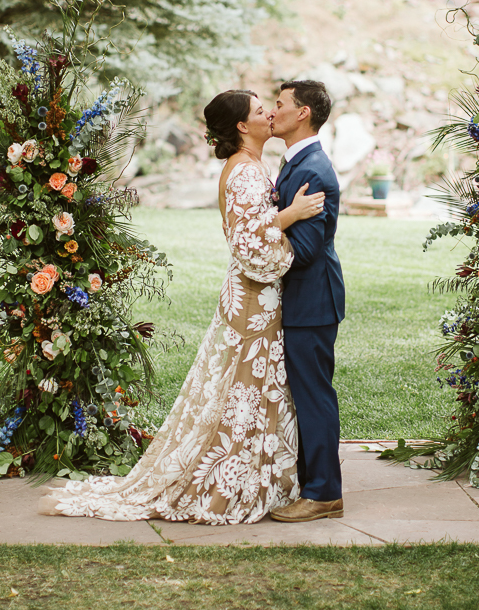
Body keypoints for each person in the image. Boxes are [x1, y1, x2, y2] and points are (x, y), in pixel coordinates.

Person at [38, 90, 325, 524]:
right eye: (259, 109)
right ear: (243, 127)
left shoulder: (250, 165)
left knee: (244, 386)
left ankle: (252, 470)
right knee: (243, 387)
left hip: (253, 294)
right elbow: (247, 238)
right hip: (253, 295)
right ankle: (227, 480)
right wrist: (293, 213)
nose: (269, 112)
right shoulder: (245, 171)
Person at [267, 80, 345, 523]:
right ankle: (309, 482)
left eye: (279, 104)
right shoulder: (297, 162)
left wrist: (259, 247)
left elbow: (307, 248)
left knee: (314, 396)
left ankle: (323, 493)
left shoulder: (313, 169)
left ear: (302, 114)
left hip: (312, 301)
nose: (273, 111)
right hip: (301, 301)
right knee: (305, 395)